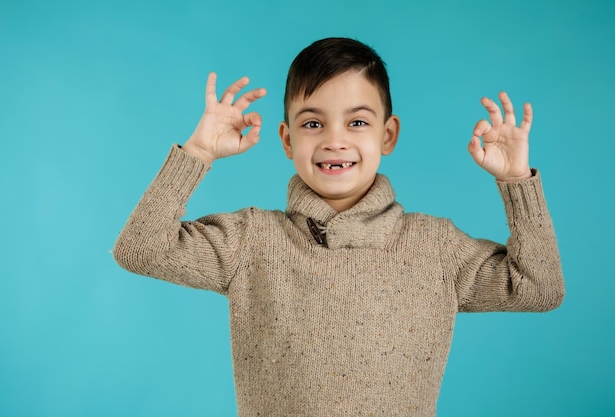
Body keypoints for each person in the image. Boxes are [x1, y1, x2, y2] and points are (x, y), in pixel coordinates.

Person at [114, 37, 564, 416]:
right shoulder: (251, 241)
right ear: (287, 139)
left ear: (387, 135)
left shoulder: (435, 247)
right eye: (313, 123)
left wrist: (515, 182)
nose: (334, 140)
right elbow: (141, 249)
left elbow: (539, 288)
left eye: (357, 122)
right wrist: (198, 152)